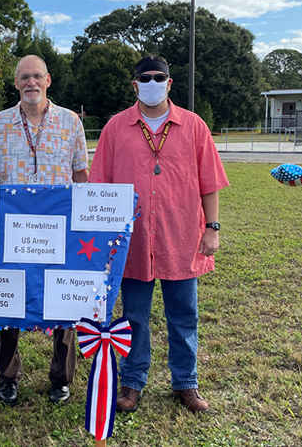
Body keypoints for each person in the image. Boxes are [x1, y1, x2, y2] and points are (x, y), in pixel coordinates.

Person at [89, 55, 229, 414]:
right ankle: (132, 382)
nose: (152, 82)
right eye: (145, 78)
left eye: (159, 77)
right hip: (131, 241)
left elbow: (209, 183)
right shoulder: (115, 128)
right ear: (135, 85)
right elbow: (98, 185)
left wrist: (212, 228)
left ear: (169, 83)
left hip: (181, 236)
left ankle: (186, 383)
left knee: (184, 315)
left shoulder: (195, 126)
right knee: (134, 317)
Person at [0, 54, 89, 405]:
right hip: (13, 232)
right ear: (15, 83)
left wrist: (84, 223)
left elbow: (82, 177)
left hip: (60, 232)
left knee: (62, 301)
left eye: (36, 76)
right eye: (24, 77)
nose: (31, 83)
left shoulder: (71, 122)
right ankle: (8, 376)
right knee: (8, 300)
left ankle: (61, 379)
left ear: (48, 80)